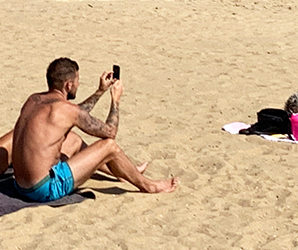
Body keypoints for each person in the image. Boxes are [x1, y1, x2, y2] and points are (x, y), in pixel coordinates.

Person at [11, 58, 178, 201]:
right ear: (68, 85)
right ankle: (148, 185)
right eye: (77, 81)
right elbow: (110, 132)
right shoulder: (66, 110)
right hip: (43, 190)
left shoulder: (34, 100)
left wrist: (100, 91)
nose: (78, 84)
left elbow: (74, 114)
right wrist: (115, 100)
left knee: (73, 139)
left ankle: (124, 172)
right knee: (109, 146)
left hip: (20, 185)